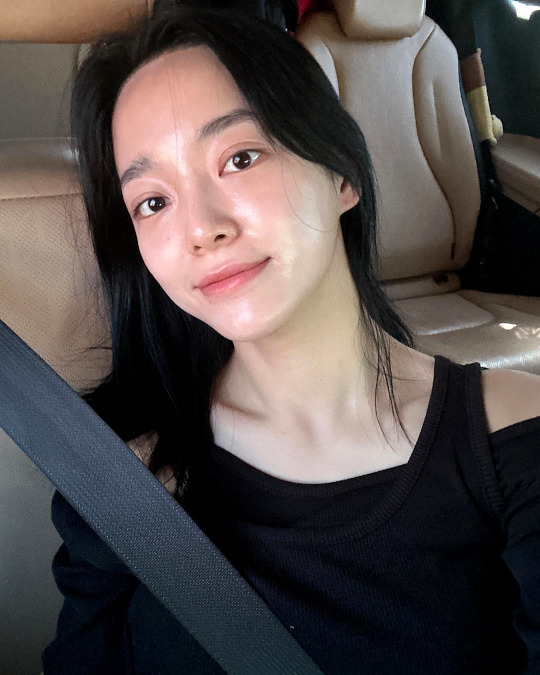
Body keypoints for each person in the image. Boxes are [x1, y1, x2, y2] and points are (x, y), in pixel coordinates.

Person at [41, 6, 540, 674]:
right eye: (152, 202)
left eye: (240, 158)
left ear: (342, 174)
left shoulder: (517, 442)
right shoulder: (121, 472)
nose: (202, 229)